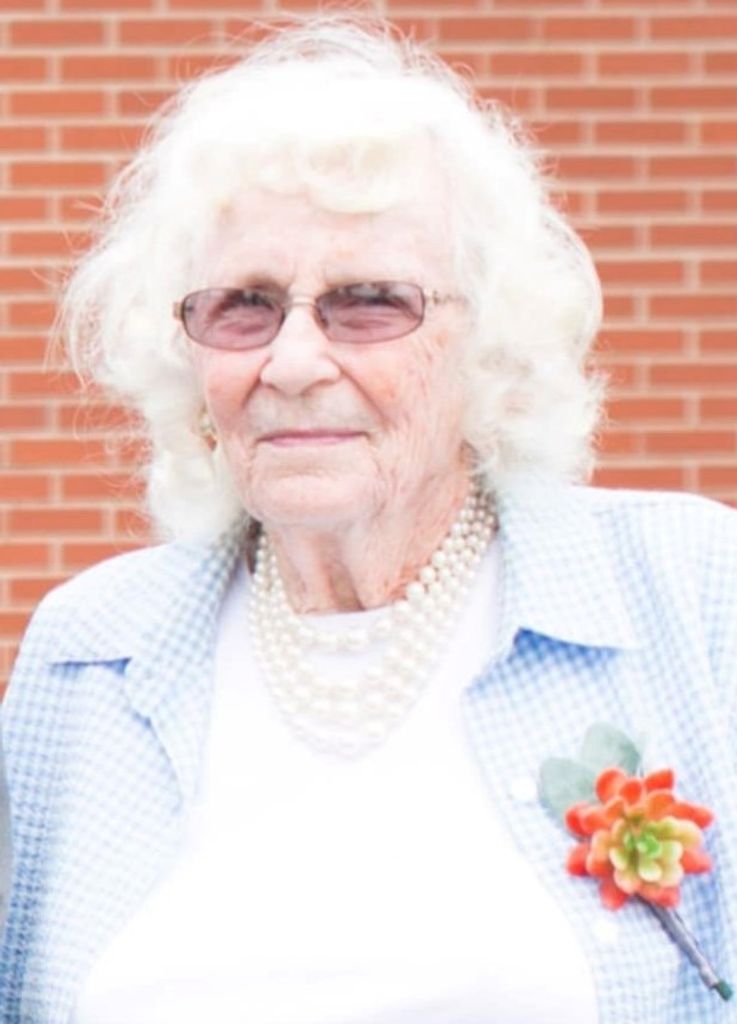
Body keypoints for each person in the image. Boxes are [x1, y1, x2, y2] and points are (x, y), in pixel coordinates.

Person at [2, 15, 737, 1024]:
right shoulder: (88, 653)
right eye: (244, 306)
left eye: (369, 302)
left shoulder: (690, 591)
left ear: (484, 343)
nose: (294, 362)